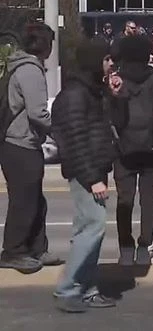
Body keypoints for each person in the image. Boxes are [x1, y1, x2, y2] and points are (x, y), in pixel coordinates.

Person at [50, 40, 122, 313]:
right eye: (106, 59)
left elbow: (103, 126)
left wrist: (112, 95)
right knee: (92, 228)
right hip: (86, 173)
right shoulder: (75, 95)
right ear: (94, 61)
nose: (111, 63)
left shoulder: (91, 91)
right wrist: (92, 178)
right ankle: (67, 289)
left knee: (90, 230)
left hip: (95, 168)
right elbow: (75, 142)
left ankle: (88, 289)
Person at [109, 35, 153, 266]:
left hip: (123, 149)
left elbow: (106, 114)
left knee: (124, 199)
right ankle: (145, 246)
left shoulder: (115, 81)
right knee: (148, 200)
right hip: (152, 150)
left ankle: (125, 248)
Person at [1, 22, 59, 274]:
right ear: (43, 44)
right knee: (24, 201)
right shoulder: (30, 70)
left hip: (18, 143)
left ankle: (36, 248)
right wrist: (58, 130)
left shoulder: (21, 66)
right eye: (51, 42)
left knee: (35, 199)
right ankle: (13, 252)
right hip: (19, 144)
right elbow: (38, 114)